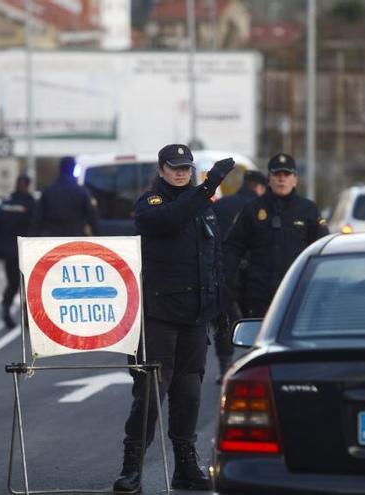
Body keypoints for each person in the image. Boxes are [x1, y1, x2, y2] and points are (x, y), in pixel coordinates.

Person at [113, 144, 235, 493]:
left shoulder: (203, 208)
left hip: (195, 316)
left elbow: (215, 259)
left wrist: (221, 305)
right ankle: (131, 469)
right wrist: (208, 187)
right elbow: (170, 220)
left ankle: (185, 466)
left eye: (186, 167)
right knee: (150, 394)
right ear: (161, 169)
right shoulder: (152, 203)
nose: (181, 172)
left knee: (189, 393)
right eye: (174, 167)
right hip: (158, 315)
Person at [224, 153, 329, 318]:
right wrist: (230, 287)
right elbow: (233, 248)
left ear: (295, 179)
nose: (282, 179)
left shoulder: (308, 210)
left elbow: (322, 249)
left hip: (297, 293)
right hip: (258, 295)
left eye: (286, 175)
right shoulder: (252, 209)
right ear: (269, 178)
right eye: (277, 175)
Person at [210, 170, 267, 382]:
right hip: (253, 272)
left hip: (223, 269)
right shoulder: (262, 207)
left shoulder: (222, 204)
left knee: (224, 319)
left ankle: (225, 366)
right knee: (255, 320)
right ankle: (253, 365)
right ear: (260, 187)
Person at [0, 174, 36, 328]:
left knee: (12, 283)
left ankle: (6, 312)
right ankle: (27, 319)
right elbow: (35, 227)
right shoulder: (31, 204)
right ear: (27, 185)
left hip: (8, 251)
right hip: (25, 250)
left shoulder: (5, 203)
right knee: (27, 284)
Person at [33, 156, 99, 236]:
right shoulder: (82, 191)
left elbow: (37, 218)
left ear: (60, 169)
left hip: (52, 238)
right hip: (75, 237)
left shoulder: (48, 191)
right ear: (73, 169)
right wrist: (99, 237)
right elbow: (93, 219)